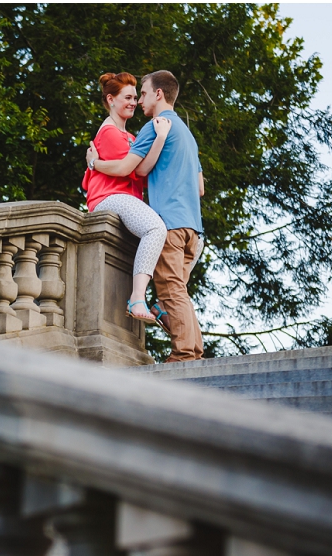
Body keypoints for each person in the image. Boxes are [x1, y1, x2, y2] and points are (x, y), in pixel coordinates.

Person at [86, 70, 205, 362]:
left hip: (172, 223)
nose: (140, 100)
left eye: (142, 93)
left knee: (171, 290)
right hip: (195, 230)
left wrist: (94, 163)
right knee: (178, 291)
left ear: (158, 94)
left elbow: (134, 169)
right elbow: (200, 188)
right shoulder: (188, 136)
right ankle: (194, 350)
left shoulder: (154, 127)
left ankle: (185, 356)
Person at [83, 72, 172, 325]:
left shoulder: (131, 137)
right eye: (128, 97)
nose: (133, 102)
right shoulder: (109, 132)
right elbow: (130, 169)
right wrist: (95, 163)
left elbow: (141, 172)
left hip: (127, 198)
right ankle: (137, 298)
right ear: (110, 99)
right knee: (155, 228)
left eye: (136, 97)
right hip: (108, 198)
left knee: (179, 237)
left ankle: (162, 303)